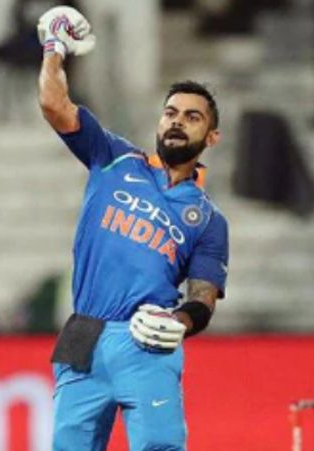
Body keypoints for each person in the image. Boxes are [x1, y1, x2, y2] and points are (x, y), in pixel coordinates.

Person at [35, 6, 229, 450]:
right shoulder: (114, 157)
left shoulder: (209, 220)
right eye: (171, 112)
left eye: (192, 117)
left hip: (146, 340)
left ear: (212, 138)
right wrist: (54, 47)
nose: (177, 121)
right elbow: (53, 104)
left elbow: (203, 297)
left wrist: (179, 322)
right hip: (84, 333)